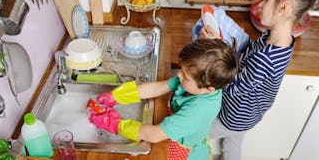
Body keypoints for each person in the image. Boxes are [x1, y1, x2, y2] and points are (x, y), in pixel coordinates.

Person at [192, 0, 317, 159]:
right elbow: (247, 56)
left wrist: (217, 47)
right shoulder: (279, 39)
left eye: (266, 0)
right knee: (232, 147)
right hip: (249, 114)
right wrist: (228, 42)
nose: (259, 5)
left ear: (283, 7)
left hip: (233, 116)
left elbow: (232, 86)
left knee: (192, 134)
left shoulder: (266, 58)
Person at [87, 39, 238, 160]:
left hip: (183, 153)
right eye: (181, 70)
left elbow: (154, 135)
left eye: (185, 76)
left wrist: (116, 125)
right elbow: (158, 87)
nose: (179, 76)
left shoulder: (195, 112)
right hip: (177, 133)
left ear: (208, 88)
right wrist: (117, 96)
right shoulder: (202, 84)